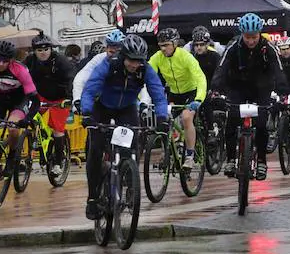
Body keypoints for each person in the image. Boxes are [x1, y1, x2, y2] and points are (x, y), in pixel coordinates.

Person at [81, 34, 168, 220]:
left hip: (127, 109)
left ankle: (130, 183)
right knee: (95, 150)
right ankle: (93, 197)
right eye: (131, 60)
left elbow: (158, 94)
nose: (134, 65)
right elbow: (90, 89)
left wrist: (162, 117)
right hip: (102, 107)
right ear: (123, 56)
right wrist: (87, 113)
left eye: (138, 61)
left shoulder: (145, 70)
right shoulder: (109, 65)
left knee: (132, 146)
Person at [211, 13, 289, 181]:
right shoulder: (233, 45)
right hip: (238, 85)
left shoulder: (268, 46)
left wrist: (283, 93)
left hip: (262, 87)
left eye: (254, 37)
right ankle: (231, 158)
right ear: (242, 34)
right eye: (247, 37)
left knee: (261, 123)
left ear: (259, 33)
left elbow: (279, 69)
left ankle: (261, 160)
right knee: (232, 119)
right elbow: (221, 67)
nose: (251, 41)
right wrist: (216, 89)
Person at [148, 27, 207, 169]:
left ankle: (190, 156)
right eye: (161, 46)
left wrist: (198, 100)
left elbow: (200, 78)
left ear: (174, 44)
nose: (163, 49)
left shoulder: (186, 56)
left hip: (191, 92)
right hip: (174, 93)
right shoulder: (157, 57)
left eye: (166, 45)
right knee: (164, 118)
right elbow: (147, 75)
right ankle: (167, 150)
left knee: (186, 118)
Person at [23, 34, 75, 173]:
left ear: (51, 49)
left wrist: (69, 98)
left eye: (46, 49)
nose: (43, 52)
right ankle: (40, 142)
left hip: (60, 97)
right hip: (40, 96)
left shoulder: (61, 61)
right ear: (34, 51)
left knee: (58, 130)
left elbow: (71, 79)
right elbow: (21, 76)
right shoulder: (29, 60)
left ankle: (58, 161)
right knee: (29, 117)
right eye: (39, 50)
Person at [73, 29, 125, 107]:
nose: (114, 56)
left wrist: (143, 102)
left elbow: (142, 82)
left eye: (118, 52)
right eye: (111, 52)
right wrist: (77, 99)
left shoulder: (128, 60)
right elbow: (80, 78)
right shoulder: (99, 59)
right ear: (106, 49)